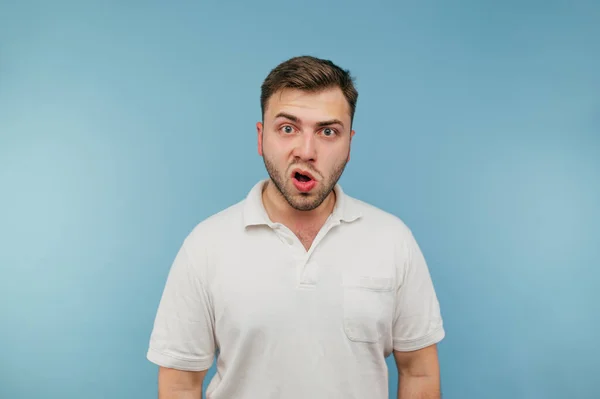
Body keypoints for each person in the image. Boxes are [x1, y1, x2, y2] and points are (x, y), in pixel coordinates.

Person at [146, 55, 445, 399]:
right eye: (287, 128)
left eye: (328, 132)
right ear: (261, 138)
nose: (306, 151)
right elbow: (180, 384)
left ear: (349, 143)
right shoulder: (206, 245)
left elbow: (418, 371)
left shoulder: (393, 240)